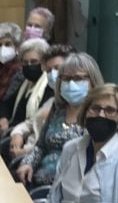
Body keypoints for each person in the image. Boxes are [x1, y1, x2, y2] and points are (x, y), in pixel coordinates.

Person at [14, 50, 98, 186]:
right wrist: (27, 163)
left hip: (68, 189)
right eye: (66, 79)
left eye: (78, 78)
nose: (71, 84)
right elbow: (40, 146)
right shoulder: (58, 108)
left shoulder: (98, 114)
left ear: (93, 82)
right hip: (35, 178)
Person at [0, 38, 52, 163]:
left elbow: (36, 123)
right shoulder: (26, 83)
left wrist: (18, 135)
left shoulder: (49, 87)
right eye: (25, 63)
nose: (29, 66)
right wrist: (3, 119)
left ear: (44, 63)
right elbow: (6, 103)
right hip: (12, 132)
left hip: (27, 141)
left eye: (34, 62)